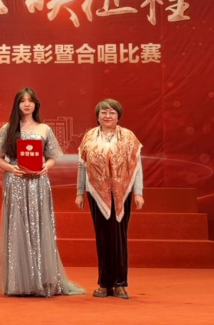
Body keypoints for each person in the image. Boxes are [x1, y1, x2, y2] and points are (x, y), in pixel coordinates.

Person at [0, 87, 84, 297]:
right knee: (18, 227)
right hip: (15, 182)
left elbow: (51, 157)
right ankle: (18, 283)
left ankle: (42, 280)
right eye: (22, 100)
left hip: (39, 183)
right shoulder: (8, 129)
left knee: (39, 226)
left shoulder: (44, 129)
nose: (27, 104)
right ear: (17, 105)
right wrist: (11, 168)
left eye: (30, 100)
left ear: (36, 104)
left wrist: (46, 167)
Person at [75, 98, 144, 300]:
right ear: (97, 116)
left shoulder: (128, 137)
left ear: (118, 116)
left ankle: (120, 284)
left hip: (122, 192)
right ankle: (104, 284)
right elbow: (82, 166)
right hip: (96, 193)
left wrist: (138, 192)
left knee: (119, 237)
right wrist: (79, 192)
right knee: (102, 237)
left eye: (112, 112)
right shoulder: (89, 137)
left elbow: (137, 166)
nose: (107, 116)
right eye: (103, 112)